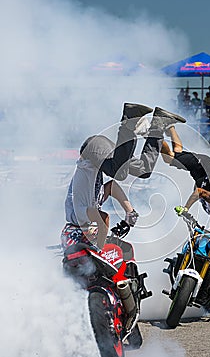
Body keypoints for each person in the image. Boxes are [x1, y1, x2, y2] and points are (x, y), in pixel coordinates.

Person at [61, 103, 186, 251]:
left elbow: (104, 219)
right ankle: (160, 123)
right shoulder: (93, 201)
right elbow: (111, 187)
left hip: (92, 149)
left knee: (119, 172)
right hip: (99, 152)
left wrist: (100, 249)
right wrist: (130, 211)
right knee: (143, 170)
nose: (96, 234)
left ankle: (130, 118)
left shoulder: (78, 217)